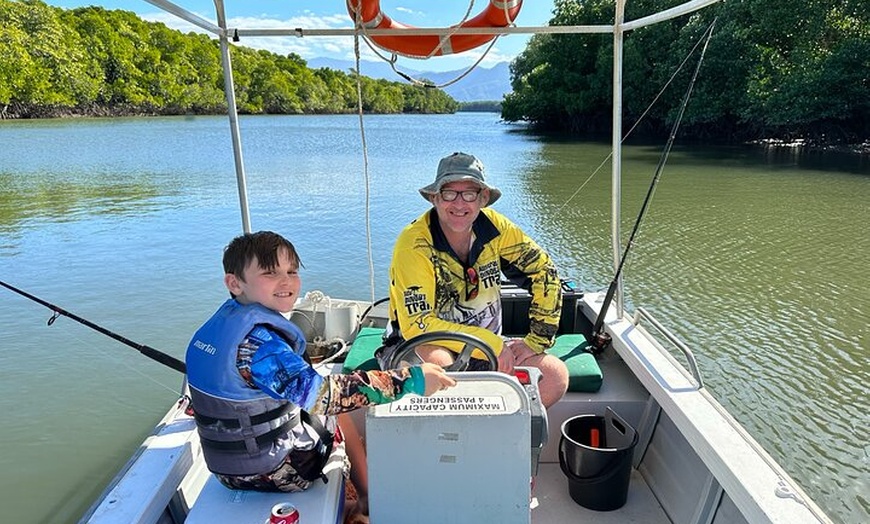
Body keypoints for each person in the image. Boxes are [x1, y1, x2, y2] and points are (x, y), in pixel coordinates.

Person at [185, 231, 455, 521]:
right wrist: (411, 379)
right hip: (277, 472)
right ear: (234, 283)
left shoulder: (220, 326)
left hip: (225, 472)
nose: (286, 281)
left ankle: (356, 502)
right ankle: (365, 498)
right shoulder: (262, 347)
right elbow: (327, 398)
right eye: (270, 273)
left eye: (292, 271)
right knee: (342, 408)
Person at [379, 152, 570, 408]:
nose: (459, 204)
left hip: (487, 346)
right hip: (417, 344)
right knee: (442, 367)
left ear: (483, 198)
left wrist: (537, 339)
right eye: (449, 193)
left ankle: (500, 441)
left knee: (555, 376)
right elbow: (418, 324)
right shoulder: (413, 244)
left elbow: (544, 272)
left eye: (469, 193)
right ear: (435, 198)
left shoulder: (498, 229)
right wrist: (492, 345)